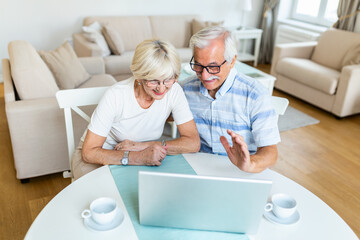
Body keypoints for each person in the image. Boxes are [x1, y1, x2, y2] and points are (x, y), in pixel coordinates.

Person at [72, 39, 200, 180]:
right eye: (154, 81)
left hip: (139, 156)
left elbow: (193, 143)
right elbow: (89, 153)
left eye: (168, 80)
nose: (162, 88)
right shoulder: (116, 95)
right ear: (139, 76)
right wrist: (138, 156)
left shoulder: (174, 90)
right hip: (99, 157)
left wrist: (142, 147)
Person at [183, 26, 280, 173]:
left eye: (213, 67)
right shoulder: (186, 88)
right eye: (198, 65)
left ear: (232, 61)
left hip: (238, 171)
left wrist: (250, 164)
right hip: (197, 168)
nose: (204, 76)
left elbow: (270, 151)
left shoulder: (255, 94)